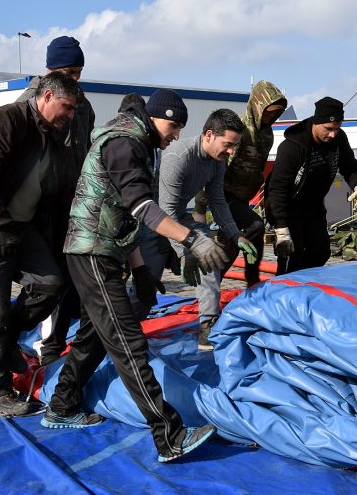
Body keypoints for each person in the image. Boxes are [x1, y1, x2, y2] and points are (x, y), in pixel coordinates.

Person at [44, 89, 226, 464]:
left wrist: (142, 270)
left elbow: (122, 213)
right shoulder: (126, 143)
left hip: (102, 249)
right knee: (128, 342)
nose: (176, 135)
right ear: (156, 117)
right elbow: (143, 207)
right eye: (173, 126)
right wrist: (192, 239)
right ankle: (169, 435)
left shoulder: (137, 141)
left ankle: (62, 404)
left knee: (96, 334)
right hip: (91, 250)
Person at [0, 71, 81, 415]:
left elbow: (56, 191)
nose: (69, 115)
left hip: (20, 229)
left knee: (50, 283)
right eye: (66, 107)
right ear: (47, 96)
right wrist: (2, 226)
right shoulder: (5, 120)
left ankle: (5, 343)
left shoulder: (52, 137)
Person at [15, 35, 96, 366]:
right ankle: (20, 337)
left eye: (78, 72)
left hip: (72, 204)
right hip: (38, 207)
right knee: (46, 281)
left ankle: (56, 340)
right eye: (68, 72)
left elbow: (86, 149)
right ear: (51, 71)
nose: (73, 79)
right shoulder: (26, 104)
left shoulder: (83, 105)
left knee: (70, 276)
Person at [153, 108, 256, 348]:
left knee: (209, 252)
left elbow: (217, 199)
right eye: (227, 144)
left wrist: (235, 234)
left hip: (178, 216)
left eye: (235, 146)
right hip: (150, 219)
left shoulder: (217, 161)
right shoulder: (179, 157)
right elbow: (164, 212)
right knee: (145, 286)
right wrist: (185, 251)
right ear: (209, 135)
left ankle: (207, 324)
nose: (231, 151)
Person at [192, 80, 287, 289]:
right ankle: (252, 280)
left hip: (243, 197)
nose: (272, 117)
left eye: (277, 114)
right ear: (258, 107)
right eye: (269, 112)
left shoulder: (267, 134)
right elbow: (213, 165)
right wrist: (201, 207)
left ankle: (210, 285)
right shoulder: (239, 130)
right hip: (223, 195)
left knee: (231, 244)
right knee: (255, 226)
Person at [265, 96, 357, 275]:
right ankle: (283, 291)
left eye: (336, 128)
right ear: (316, 123)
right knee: (292, 253)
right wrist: (281, 228)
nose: (332, 134)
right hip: (289, 207)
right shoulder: (292, 147)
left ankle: (304, 287)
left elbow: (350, 166)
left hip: (314, 206)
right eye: (328, 129)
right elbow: (277, 188)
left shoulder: (338, 139)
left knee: (321, 251)